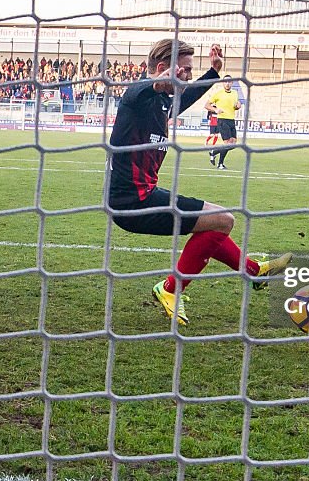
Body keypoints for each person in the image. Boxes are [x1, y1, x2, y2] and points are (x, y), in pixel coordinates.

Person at [106, 40, 291, 326]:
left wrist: (212, 74)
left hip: (145, 197)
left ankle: (254, 271)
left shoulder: (162, 103)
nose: (189, 75)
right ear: (162, 69)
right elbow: (135, 91)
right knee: (223, 220)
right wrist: (156, 83)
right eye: (186, 70)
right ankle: (170, 290)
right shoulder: (139, 98)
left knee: (213, 224)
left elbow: (184, 98)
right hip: (131, 204)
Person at [205, 75, 241, 169]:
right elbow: (207, 105)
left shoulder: (235, 93)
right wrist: (215, 110)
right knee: (228, 143)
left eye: (229, 82)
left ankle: (214, 152)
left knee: (233, 144)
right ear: (223, 83)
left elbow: (235, 106)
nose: (227, 84)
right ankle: (220, 164)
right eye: (225, 82)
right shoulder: (218, 93)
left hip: (231, 120)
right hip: (222, 120)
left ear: (232, 83)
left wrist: (237, 106)